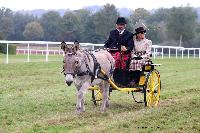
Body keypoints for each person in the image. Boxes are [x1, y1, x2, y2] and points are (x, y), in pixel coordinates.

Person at [104, 17, 134, 86]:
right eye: (118, 25)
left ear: (125, 25)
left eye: (122, 25)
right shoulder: (112, 33)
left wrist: (126, 49)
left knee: (116, 58)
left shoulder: (129, 34)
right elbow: (107, 43)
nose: (120, 26)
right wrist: (105, 48)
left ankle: (118, 80)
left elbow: (130, 46)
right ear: (116, 25)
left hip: (123, 54)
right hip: (111, 52)